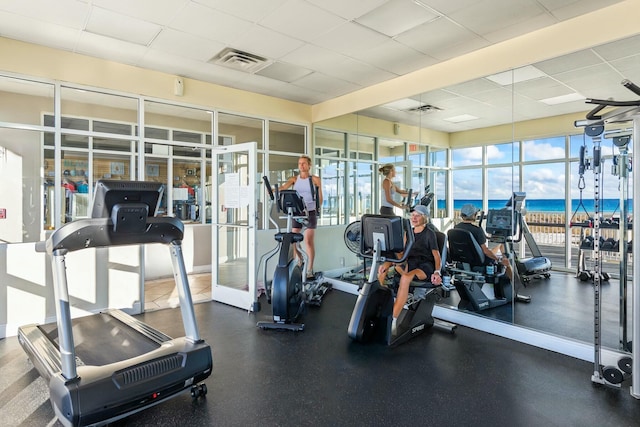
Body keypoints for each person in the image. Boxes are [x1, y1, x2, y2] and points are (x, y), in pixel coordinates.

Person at [377, 205, 442, 334]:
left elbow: (437, 256)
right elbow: (402, 253)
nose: (414, 218)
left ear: (425, 217)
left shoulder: (429, 234)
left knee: (406, 278)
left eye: (417, 215)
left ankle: (393, 320)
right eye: (413, 215)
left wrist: (437, 272)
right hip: (411, 263)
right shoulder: (408, 232)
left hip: (424, 267)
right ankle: (379, 305)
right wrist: (389, 262)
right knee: (383, 268)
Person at [279, 155, 323, 279]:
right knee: (293, 240)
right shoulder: (294, 179)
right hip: (297, 212)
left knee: (308, 241)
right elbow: (283, 188)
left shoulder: (315, 179)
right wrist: (272, 190)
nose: (301, 165)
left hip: (311, 211)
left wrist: (317, 208)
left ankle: (309, 270)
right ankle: (300, 260)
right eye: (299, 163)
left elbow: (320, 197)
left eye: (304, 163)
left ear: (309, 165)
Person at [454, 204, 512, 280]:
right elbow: (485, 251)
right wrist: (499, 260)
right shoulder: (477, 230)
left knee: (499, 245)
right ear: (474, 215)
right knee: (506, 262)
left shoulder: (456, 228)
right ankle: (514, 283)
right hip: (478, 260)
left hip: (463, 259)